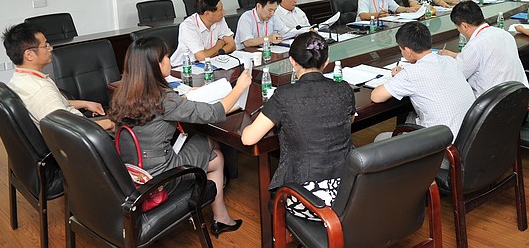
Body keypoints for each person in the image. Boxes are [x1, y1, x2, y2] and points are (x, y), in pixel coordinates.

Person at [109, 37, 251, 238]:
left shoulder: (124, 94)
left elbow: (159, 110)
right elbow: (214, 112)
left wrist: (182, 99)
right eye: (167, 56)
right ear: (157, 64)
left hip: (131, 171)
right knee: (210, 147)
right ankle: (218, 217)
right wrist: (239, 87)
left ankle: (220, 216)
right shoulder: (163, 98)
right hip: (159, 178)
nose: (169, 60)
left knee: (215, 156)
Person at [241, 32, 355, 221]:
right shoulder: (344, 89)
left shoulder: (283, 95)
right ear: (326, 61)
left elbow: (248, 138)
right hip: (351, 190)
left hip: (307, 199)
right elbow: (348, 122)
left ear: (292, 62)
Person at [371, 21, 475, 143]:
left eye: (401, 49)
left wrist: (399, 77)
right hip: (468, 139)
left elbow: (376, 96)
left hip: (440, 144)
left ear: (408, 50)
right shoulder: (449, 61)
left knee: (380, 138)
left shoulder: (411, 73)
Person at [2, 23, 113, 131]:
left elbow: (54, 103)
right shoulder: (42, 90)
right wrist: (108, 124)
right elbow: (69, 128)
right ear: (29, 55)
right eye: (45, 45)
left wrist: (85, 104)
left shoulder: (19, 79)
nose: (50, 48)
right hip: (83, 134)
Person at [440, 1, 528, 98]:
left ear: (464, 26)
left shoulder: (475, 45)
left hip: (492, 103)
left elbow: (456, 76)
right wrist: (456, 55)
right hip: (518, 97)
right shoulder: (504, 34)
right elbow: (487, 57)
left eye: (457, 27)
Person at [170, 0, 235, 66]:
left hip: (210, 62)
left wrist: (219, 52)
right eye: (220, 10)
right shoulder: (188, 26)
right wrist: (219, 44)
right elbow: (202, 57)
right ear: (207, 14)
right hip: (184, 67)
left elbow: (232, 45)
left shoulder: (219, 20)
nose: (224, 12)